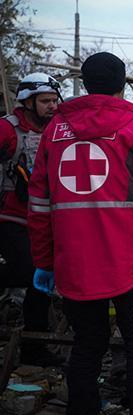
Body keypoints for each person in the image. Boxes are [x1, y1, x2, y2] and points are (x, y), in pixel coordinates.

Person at [27, 52, 133, 415]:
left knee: (87, 345)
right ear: (122, 84)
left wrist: (43, 261)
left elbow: (38, 205)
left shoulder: (53, 134)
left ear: (84, 84)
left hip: (76, 266)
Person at [0, 72, 64, 366]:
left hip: (46, 219)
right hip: (11, 216)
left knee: (43, 279)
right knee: (28, 271)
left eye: (54, 100)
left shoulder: (58, 130)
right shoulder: (7, 129)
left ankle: (35, 347)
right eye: (45, 101)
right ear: (27, 102)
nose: (52, 106)